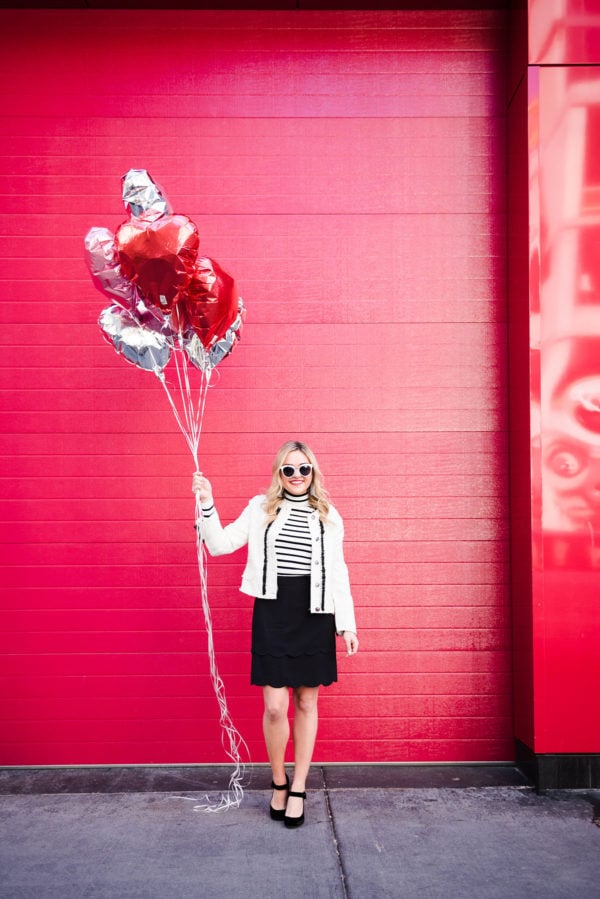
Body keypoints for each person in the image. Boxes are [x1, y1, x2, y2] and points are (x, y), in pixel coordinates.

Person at [192, 440, 358, 828]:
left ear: (313, 472)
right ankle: (279, 780)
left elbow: (338, 571)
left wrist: (347, 623)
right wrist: (207, 502)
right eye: (289, 469)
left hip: (315, 612)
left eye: (304, 469)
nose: (297, 476)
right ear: (278, 474)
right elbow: (220, 545)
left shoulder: (328, 515)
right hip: (273, 610)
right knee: (274, 707)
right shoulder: (260, 508)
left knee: (306, 703)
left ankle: (299, 786)